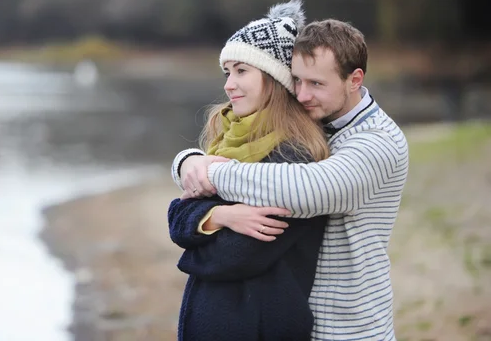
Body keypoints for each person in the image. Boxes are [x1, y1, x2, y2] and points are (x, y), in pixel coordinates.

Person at [172, 19, 409, 340]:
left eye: (316, 84)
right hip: (305, 318)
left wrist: (209, 171)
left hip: (349, 325)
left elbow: (306, 189)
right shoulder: (316, 123)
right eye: (296, 81)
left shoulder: (376, 142)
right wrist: (188, 163)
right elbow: (182, 212)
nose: (301, 94)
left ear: (354, 80)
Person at [168, 0, 331, 341]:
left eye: (242, 71)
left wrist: (194, 236)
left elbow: (234, 256)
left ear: (274, 79)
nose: (229, 84)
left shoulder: (294, 155)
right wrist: (221, 217)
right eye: (228, 72)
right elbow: (177, 220)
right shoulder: (227, 137)